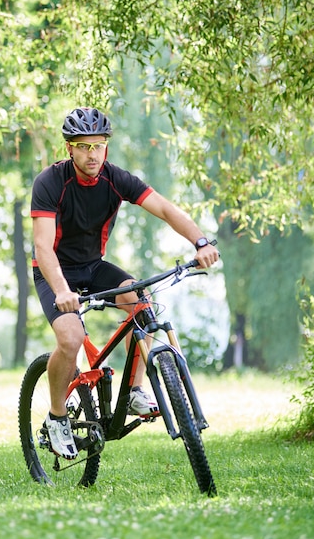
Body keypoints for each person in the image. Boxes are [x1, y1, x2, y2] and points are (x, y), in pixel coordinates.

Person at [31, 107, 219, 461]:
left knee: (142, 302)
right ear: (69, 148)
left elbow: (164, 208)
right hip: (53, 271)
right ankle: (57, 418)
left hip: (94, 266)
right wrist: (61, 291)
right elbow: (43, 247)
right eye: (84, 147)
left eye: (98, 146)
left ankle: (134, 390)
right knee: (70, 339)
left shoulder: (116, 179)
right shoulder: (50, 182)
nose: (92, 154)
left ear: (106, 148)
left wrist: (201, 242)